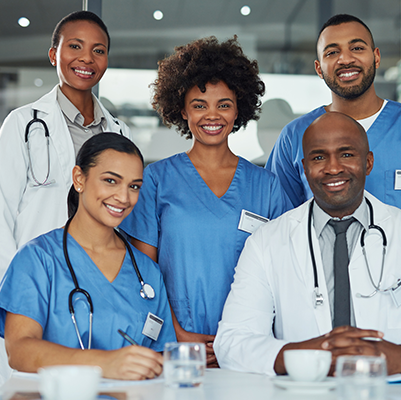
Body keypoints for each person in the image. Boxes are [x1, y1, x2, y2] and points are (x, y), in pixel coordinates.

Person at [215, 112, 401, 377]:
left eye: (346, 154)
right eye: (318, 157)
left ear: (368, 162)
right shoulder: (265, 243)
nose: (333, 168)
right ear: (304, 168)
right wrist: (300, 355)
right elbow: (232, 343)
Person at [0, 11, 132, 388]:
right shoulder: (22, 123)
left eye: (98, 50)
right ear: (54, 54)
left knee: (93, 385)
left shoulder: (119, 131)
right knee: (32, 387)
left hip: (93, 286)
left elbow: (122, 215)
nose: (87, 58)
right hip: (32, 286)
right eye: (75, 46)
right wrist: (5, 305)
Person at [119, 36, 292, 366]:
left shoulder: (266, 187)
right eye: (199, 105)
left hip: (250, 342)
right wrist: (176, 333)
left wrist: (245, 339)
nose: (212, 115)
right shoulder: (156, 180)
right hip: (176, 342)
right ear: (182, 109)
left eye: (223, 104)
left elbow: (281, 274)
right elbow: (143, 273)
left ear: (239, 108)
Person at [265, 14, 401, 279]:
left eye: (357, 48)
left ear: (376, 57)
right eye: (332, 51)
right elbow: (278, 229)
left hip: (400, 300)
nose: (345, 59)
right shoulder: (295, 137)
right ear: (318, 67)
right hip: (317, 298)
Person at [0, 133, 176, 380]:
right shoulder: (37, 260)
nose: (124, 197)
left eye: (134, 186)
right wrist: (104, 364)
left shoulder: (147, 272)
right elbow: (19, 350)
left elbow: (163, 355)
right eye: (111, 181)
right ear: (79, 179)